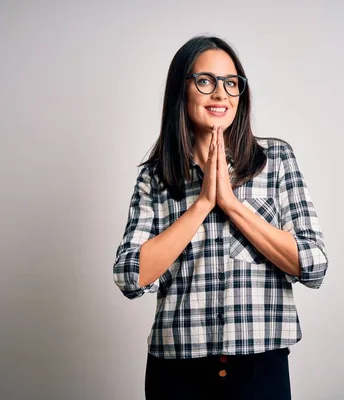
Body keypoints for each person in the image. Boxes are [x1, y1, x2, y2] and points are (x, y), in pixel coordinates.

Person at [113, 35, 329, 400]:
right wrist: (202, 205)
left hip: (259, 367)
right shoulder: (155, 176)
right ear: (181, 91)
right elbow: (130, 276)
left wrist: (230, 205)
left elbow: (312, 265)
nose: (221, 94)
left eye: (231, 83)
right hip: (176, 370)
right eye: (205, 81)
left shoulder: (275, 160)